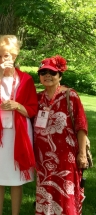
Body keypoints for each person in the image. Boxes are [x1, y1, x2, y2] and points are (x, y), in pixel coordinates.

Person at [0, 35, 38, 215]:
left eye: (5, 55)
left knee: (16, 179)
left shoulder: (26, 79)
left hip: (18, 134)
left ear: (14, 56)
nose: (1, 59)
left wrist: (17, 106)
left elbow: (32, 109)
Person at [33, 55, 88, 215]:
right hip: (43, 158)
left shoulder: (71, 96)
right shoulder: (38, 98)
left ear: (60, 76)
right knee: (46, 192)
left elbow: (81, 126)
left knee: (66, 192)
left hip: (67, 156)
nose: (47, 75)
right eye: (43, 72)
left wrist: (82, 154)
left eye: (52, 72)